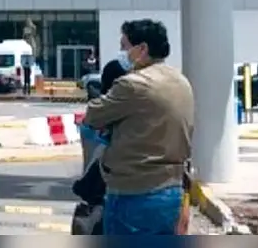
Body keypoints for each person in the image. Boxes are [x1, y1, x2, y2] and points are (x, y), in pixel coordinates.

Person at [82, 19, 194, 235]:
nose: (122, 52)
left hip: (134, 192)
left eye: (125, 46)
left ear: (142, 49)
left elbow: (93, 116)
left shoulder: (133, 84)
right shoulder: (182, 82)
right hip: (172, 190)